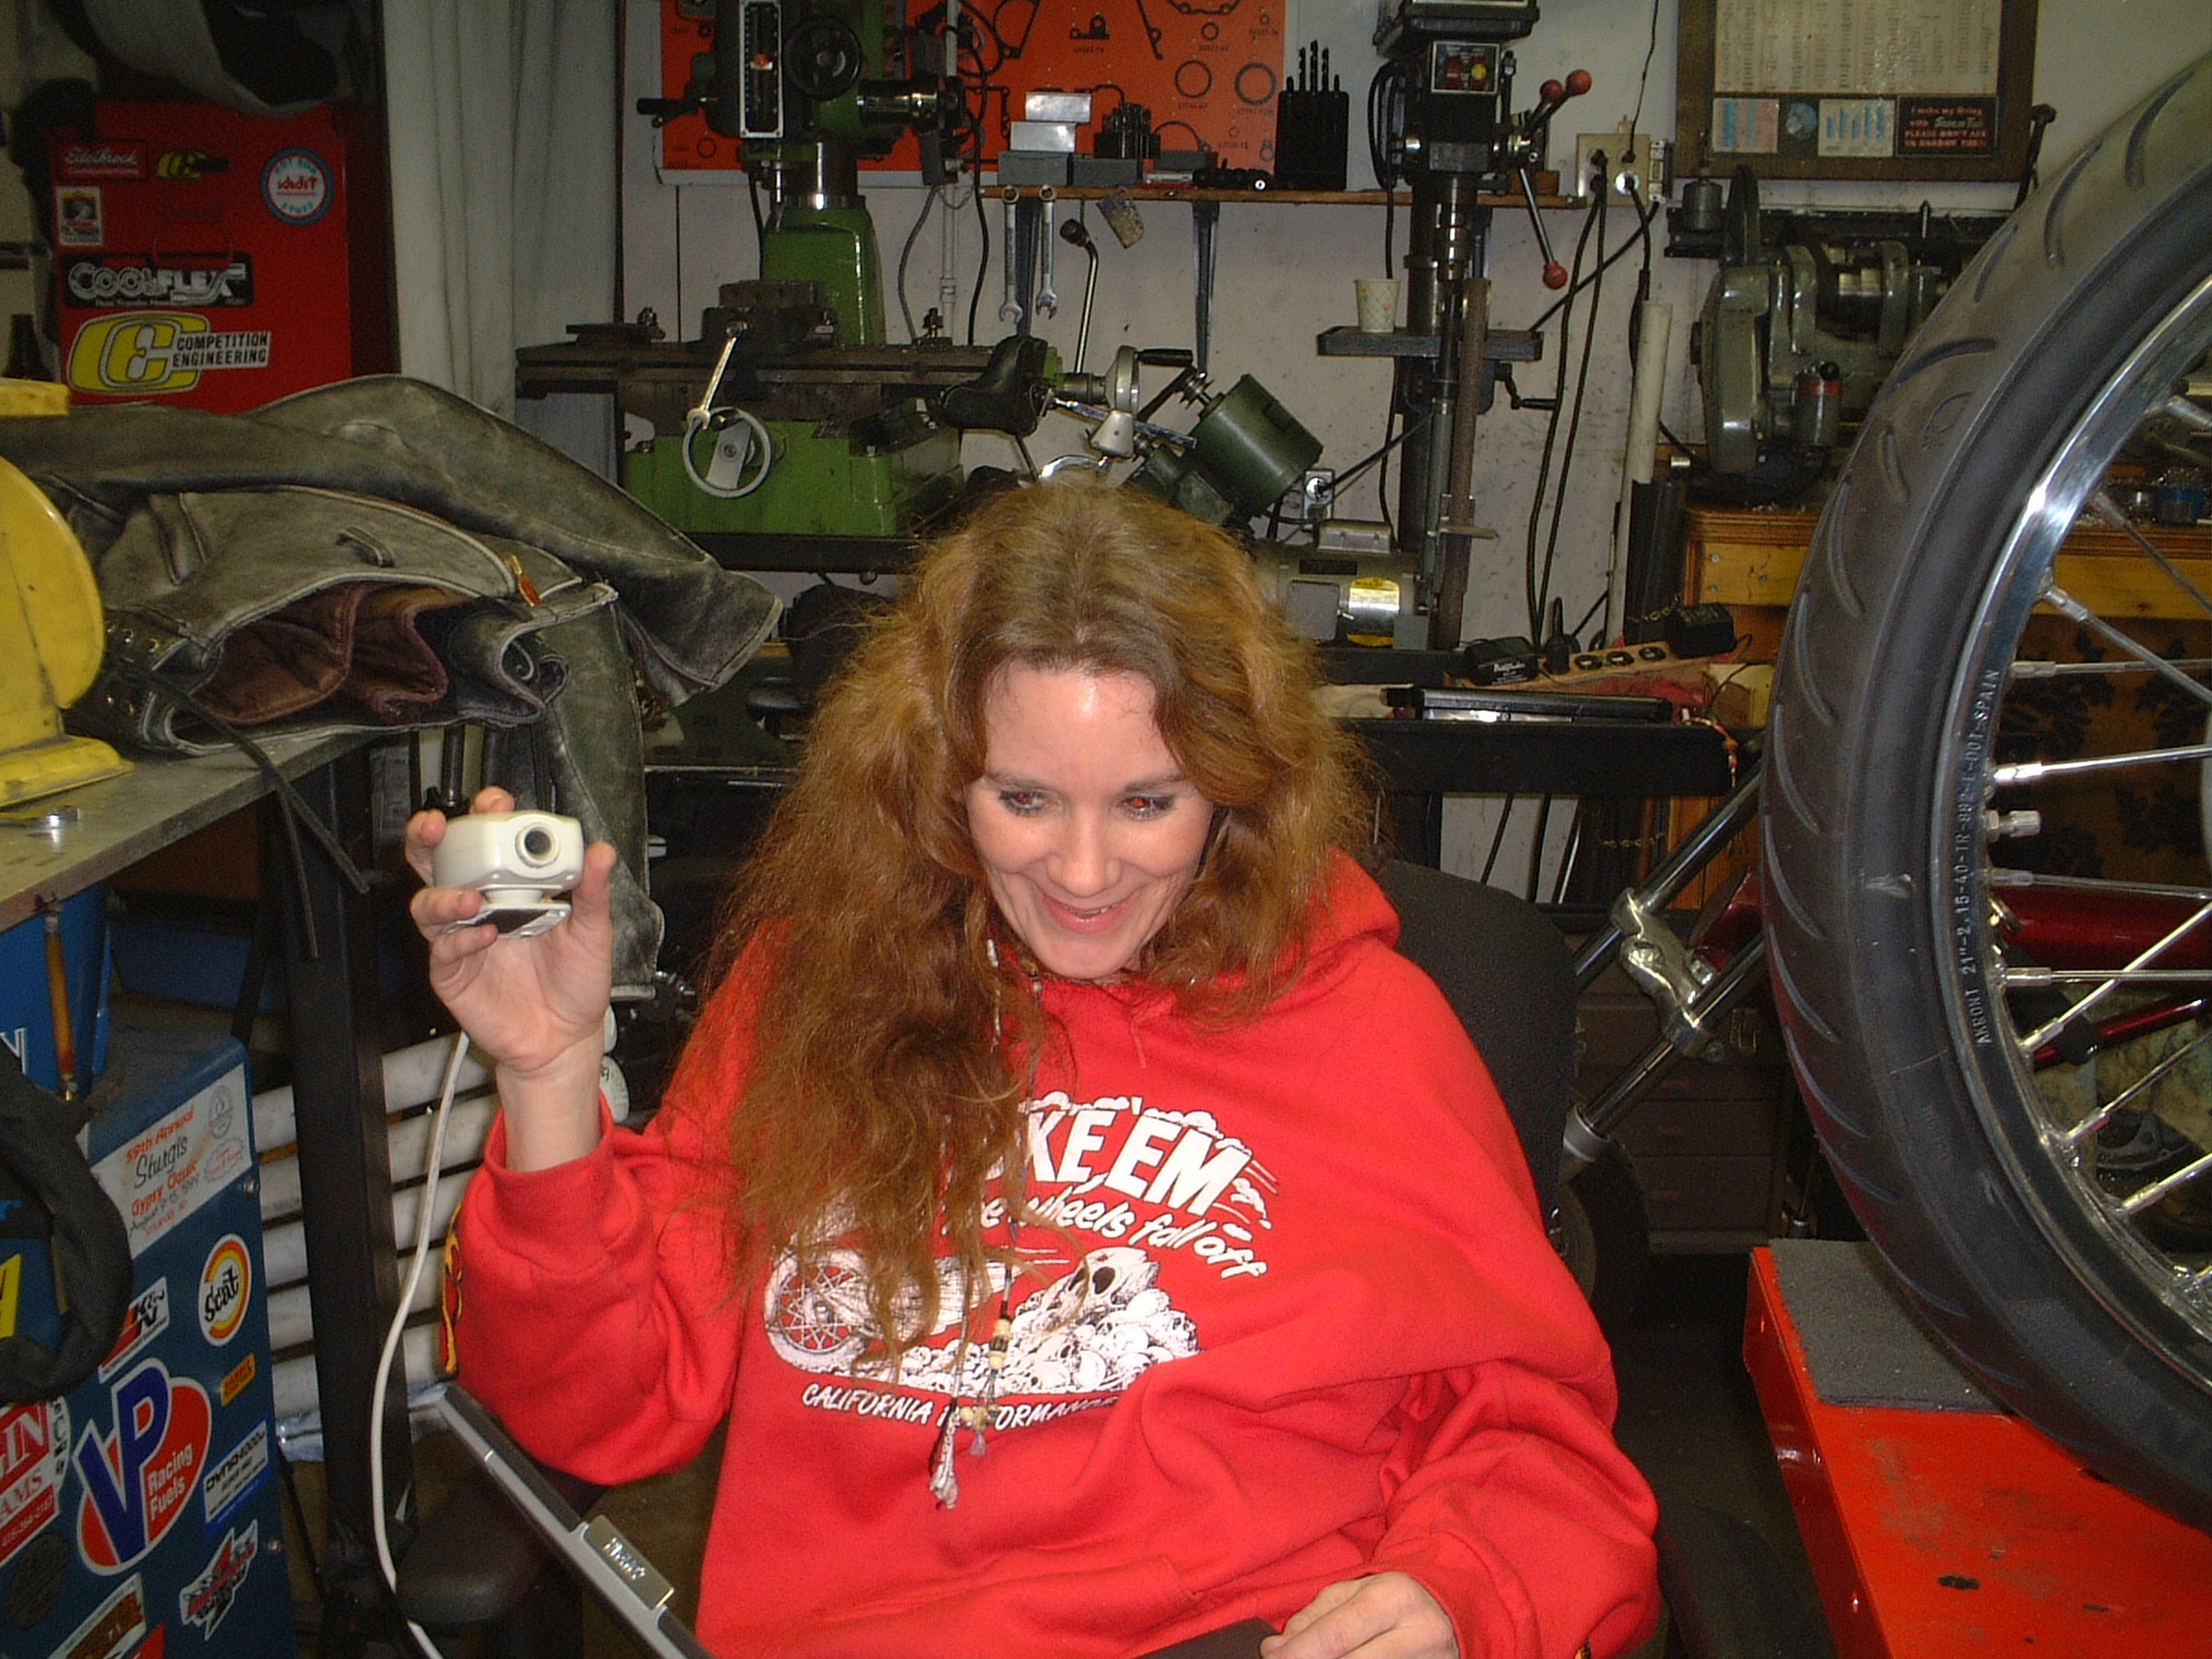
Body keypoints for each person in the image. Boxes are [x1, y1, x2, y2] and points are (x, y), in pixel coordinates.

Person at [408, 482, 1660, 1659]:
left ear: (1234, 789)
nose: (1083, 872)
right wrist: (551, 1076)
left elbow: (1534, 1434)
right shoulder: (812, 998)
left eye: (1148, 804)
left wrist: (1458, 1586)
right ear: (937, 781)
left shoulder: (1365, 1026)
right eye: (1025, 800)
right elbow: (602, 1408)